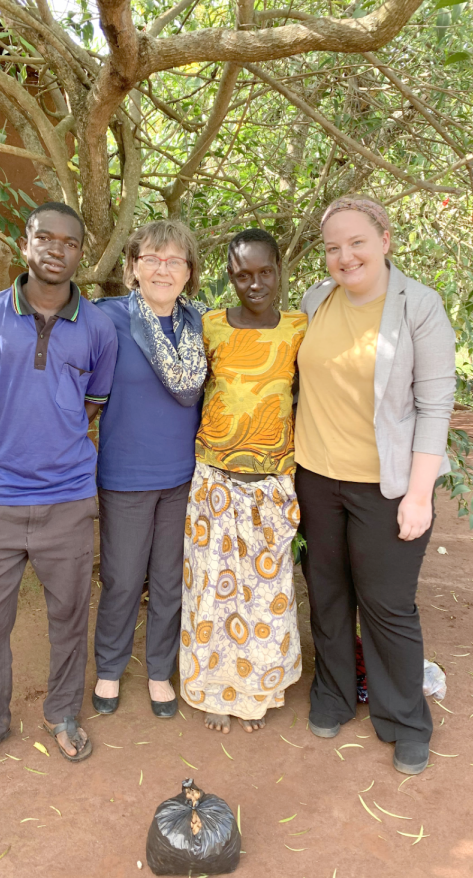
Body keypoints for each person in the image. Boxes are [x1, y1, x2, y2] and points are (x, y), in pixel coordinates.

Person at [0, 201, 118, 772]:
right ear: (25, 244)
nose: (56, 249)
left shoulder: (97, 328)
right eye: (45, 237)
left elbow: (92, 407)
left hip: (69, 495)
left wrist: (54, 447)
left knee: (69, 614)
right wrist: (8, 456)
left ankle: (63, 712)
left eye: (69, 242)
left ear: (80, 254)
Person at [294, 195, 456, 775]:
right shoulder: (317, 300)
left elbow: (435, 405)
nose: (345, 256)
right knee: (328, 593)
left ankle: (404, 717)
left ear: (385, 239)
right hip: (316, 477)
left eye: (357, 242)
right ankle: (334, 695)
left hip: (386, 486)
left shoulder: (420, 306)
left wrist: (418, 494)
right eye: (333, 247)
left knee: (387, 605)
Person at [179, 229, 307, 735]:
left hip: (272, 485)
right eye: (241, 274)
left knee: (264, 592)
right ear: (229, 276)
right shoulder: (208, 325)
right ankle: (214, 691)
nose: (253, 283)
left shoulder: (299, 328)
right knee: (211, 590)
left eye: (263, 272)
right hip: (213, 479)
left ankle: (256, 690)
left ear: (279, 270)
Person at [91, 219, 206, 718]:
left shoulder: (201, 324)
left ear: (188, 272)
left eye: (174, 260)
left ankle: (160, 670)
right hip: (125, 476)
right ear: (133, 267)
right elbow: (48, 349)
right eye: (152, 259)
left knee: (168, 580)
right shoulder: (105, 318)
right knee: (120, 578)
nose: (163, 268)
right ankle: (110, 669)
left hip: (183, 476)